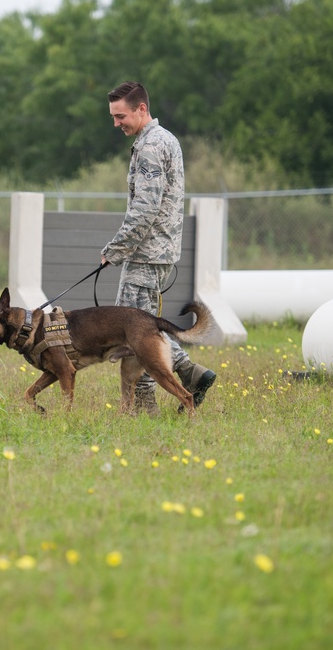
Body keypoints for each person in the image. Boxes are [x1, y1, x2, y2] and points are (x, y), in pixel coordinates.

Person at [101, 81, 216, 415]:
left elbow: (146, 209)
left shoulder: (152, 145)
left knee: (133, 335)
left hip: (146, 254)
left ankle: (144, 406)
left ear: (141, 108)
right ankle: (193, 374)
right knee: (145, 329)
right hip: (156, 252)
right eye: (112, 116)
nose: (116, 123)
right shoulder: (162, 140)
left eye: (120, 115)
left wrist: (115, 249)